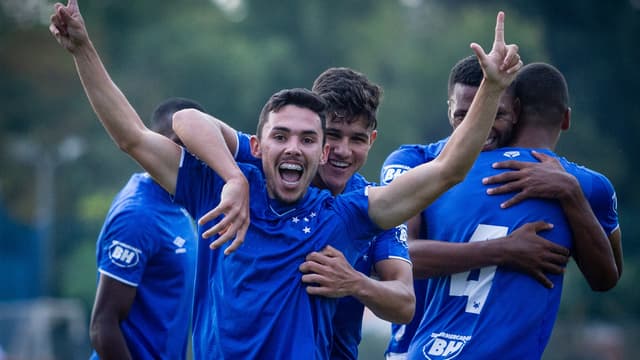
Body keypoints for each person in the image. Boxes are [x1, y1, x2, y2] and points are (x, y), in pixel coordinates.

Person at [50, 1, 522, 357]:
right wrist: (82, 49)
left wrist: (492, 89)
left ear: (319, 153)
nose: (295, 147)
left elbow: (448, 169)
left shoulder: (348, 214)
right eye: (282, 136)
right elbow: (138, 134)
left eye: (308, 139)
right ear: (258, 145)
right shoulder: (216, 188)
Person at [173, 67, 415, 360]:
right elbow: (187, 120)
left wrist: (355, 283)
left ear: (372, 140)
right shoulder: (273, 158)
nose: (343, 151)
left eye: (358, 139)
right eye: (334, 136)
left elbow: (404, 304)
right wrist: (233, 177)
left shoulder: (374, 206)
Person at [385, 61, 620, 359]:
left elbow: (605, 279)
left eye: (494, 114)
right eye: (464, 115)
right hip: (405, 350)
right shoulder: (419, 165)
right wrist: (505, 250)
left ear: (516, 112)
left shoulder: (570, 184)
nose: (479, 126)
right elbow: (399, 256)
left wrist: (570, 192)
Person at [88, 98, 201, 360]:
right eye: (179, 144)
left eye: (197, 144)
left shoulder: (182, 201)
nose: (189, 155)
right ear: (154, 143)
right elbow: (102, 326)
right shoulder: (138, 216)